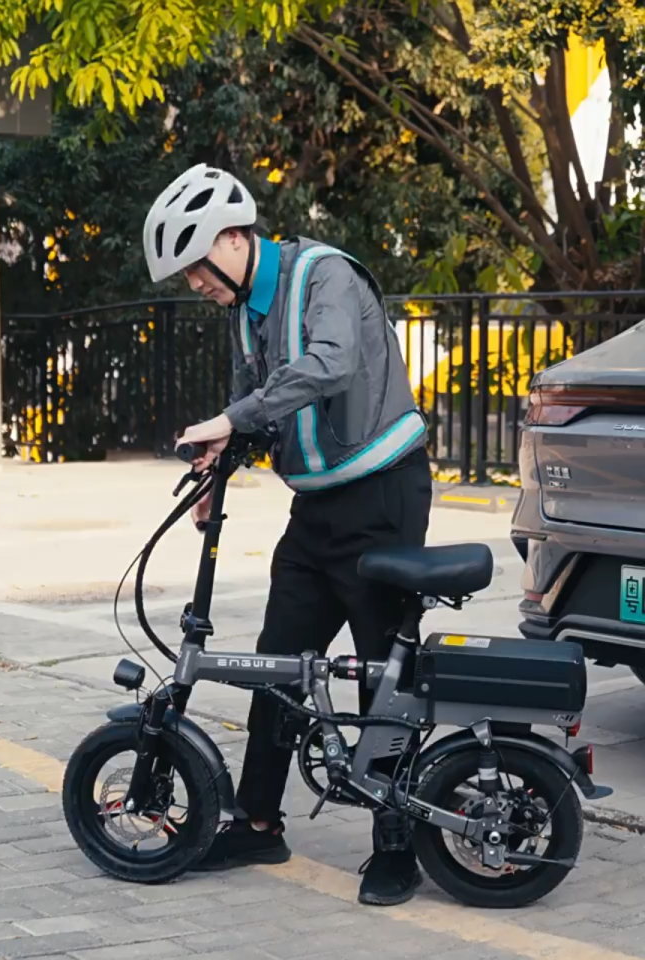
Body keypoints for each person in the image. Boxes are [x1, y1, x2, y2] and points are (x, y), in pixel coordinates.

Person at [143, 163, 433, 906]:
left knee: (383, 675)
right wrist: (214, 473)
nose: (194, 284)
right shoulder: (247, 312)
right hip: (317, 513)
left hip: (383, 497)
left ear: (234, 239)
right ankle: (258, 824)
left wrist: (229, 418)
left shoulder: (325, 275)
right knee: (276, 663)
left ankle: (397, 847)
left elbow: (330, 363)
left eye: (196, 266)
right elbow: (251, 406)